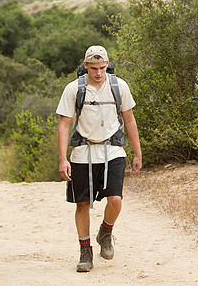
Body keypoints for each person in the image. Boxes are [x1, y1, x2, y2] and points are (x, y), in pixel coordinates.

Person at [56, 45, 142, 272]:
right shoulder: (73, 89)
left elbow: (130, 120)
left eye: (102, 67)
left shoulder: (119, 86)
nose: (98, 73)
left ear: (107, 65)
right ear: (85, 66)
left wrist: (138, 153)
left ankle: (106, 231)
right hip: (82, 154)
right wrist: (63, 159)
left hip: (112, 152)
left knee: (115, 200)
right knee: (82, 203)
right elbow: (64, 124)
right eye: (93, 68)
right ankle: (85, 251)